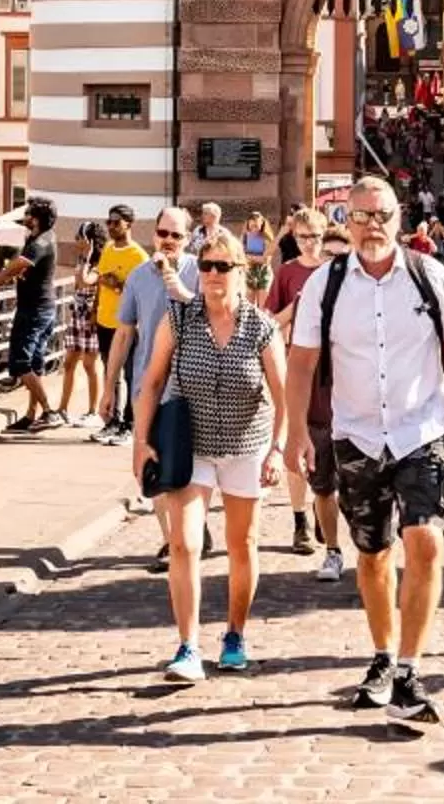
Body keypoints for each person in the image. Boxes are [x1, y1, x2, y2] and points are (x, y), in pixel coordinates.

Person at [284, 176, 444, 723]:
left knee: (425, 542)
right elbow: (301, 362)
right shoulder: (325, 286)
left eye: (383, 215)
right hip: (356, 435)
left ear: (400, 219)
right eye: (362, 216)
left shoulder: (431, 277)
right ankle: (382, 655)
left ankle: (408, 670)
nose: (373, 225)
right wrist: (296, 431)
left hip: (421, 432)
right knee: (373, 555)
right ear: (346, 222)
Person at [133, 230, 288, 680]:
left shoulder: (261, 328)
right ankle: (187, 646)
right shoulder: (179, 319)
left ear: (241, 271)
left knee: (243, 544)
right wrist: (141, 441)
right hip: (191, 445)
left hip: (245, 445)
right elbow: (152, 383)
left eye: (223, 266)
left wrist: (277, 449)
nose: (213, 275)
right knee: (184, 542)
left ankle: (235, 634)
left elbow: (284, 397)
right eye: (206, 266)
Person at [106, 207, 206, 569]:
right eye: (163, 233)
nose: (168, 241)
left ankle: (192, 527)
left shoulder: (202, 271)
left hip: (194, 385)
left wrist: (173, 282)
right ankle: (170, 541)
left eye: (176, 235)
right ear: (154, 234)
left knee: (195, 466)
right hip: (147, 387)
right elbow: (123, 334)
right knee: (152, 465)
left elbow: (211, 315)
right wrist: (108, 388)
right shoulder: (137, 276)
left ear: (188, 239)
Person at [263, 220, 342, 564]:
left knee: (333, 447)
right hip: (299, 368)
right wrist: (298, 307)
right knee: (298, 441)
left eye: (315, 236)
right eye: (303, 237)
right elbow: (270, 324)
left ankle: (324, 502)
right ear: (294, 238)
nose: (309, 243)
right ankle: (300, 522)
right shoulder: (287, 273)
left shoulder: (337, 272)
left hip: (337, 370)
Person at [0, 196, 63, 430]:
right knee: (35, 363)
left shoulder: (41, 243)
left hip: (34, 310)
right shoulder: (41, 238)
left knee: (21, 361)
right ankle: (31, 415)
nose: (24, 217)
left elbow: (15, 266)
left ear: (36, 219)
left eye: (28, 214)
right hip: (41, 308)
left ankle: (49, 412)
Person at [89, 206, 148, 443]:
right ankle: (112, 421)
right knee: (110, 373)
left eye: (116, 222)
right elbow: (100, 282)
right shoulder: (107, 249)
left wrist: (118, 285)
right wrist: (94, 310)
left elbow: (144, 293)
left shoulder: (139, 256)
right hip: (104, 321)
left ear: (129, 224)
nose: (111, 227)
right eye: (109, 222)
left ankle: (129, 425)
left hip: (128, 324)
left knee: (132, 374)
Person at [57, 222, 106, 424]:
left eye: (79, 237)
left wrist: (88, 255)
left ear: (90, 240)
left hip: (91, 316)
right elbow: (78, 284)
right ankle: (62, 409)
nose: (76, 241)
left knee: (89, 365)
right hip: (78, 314)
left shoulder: (99, 262)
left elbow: (86, 281)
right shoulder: (82, 259)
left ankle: (93, 411)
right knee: (69, 363)